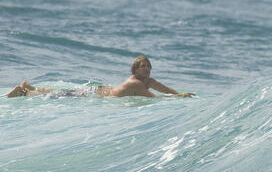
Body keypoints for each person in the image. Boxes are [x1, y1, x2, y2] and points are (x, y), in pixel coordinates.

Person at [4, 55, 194, 98]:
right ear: (134, 71)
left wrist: (178, 94)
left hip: (98, 90)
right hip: (94, 95)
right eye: (143, 67)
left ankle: (32, 87)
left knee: (62, 92)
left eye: (149, 66)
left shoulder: (148, 81)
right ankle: (23, 93)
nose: (147, 69)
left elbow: (166, 90)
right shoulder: (136, 83)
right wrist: (179, 98)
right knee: (59, 96)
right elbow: (156, 98)